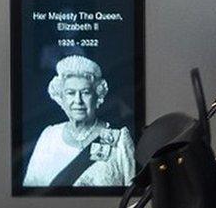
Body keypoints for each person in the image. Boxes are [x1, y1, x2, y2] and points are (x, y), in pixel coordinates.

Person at [23, 55, 136, 187]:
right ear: (61, 98)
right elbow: (31, 190)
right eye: (70, 93)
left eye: (86, 92)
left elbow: (133, 198)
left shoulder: (120, 139)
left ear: (97, 97)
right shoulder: (49, 136)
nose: (78, 100)